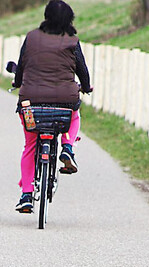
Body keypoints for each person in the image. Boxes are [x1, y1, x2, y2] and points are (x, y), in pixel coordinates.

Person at [11, 0, 92, 213]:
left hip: (30, 105)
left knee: (30, 146)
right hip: (64, 103)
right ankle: (67, 147)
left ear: (46, 16)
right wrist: (86, 86)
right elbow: (82, 70)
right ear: (69, 19)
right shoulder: (72, 42)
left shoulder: (31, 38)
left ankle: (27, 195)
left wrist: (17, 82)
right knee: (74, 115)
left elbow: (21, 67)